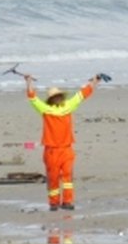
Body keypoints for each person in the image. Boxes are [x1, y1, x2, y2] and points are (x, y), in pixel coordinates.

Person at [25, 73, 102, 211]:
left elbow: (83, 94)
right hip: (54, 150)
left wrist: (94, 81)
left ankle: (65, 202)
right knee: (57, 179)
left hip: (63, 150)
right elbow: (83, 94)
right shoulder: (56, 108)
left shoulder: (50, 109)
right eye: (56, 97)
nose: (57, 98)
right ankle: (55, 203)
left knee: (64, 179)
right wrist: (94, 81)